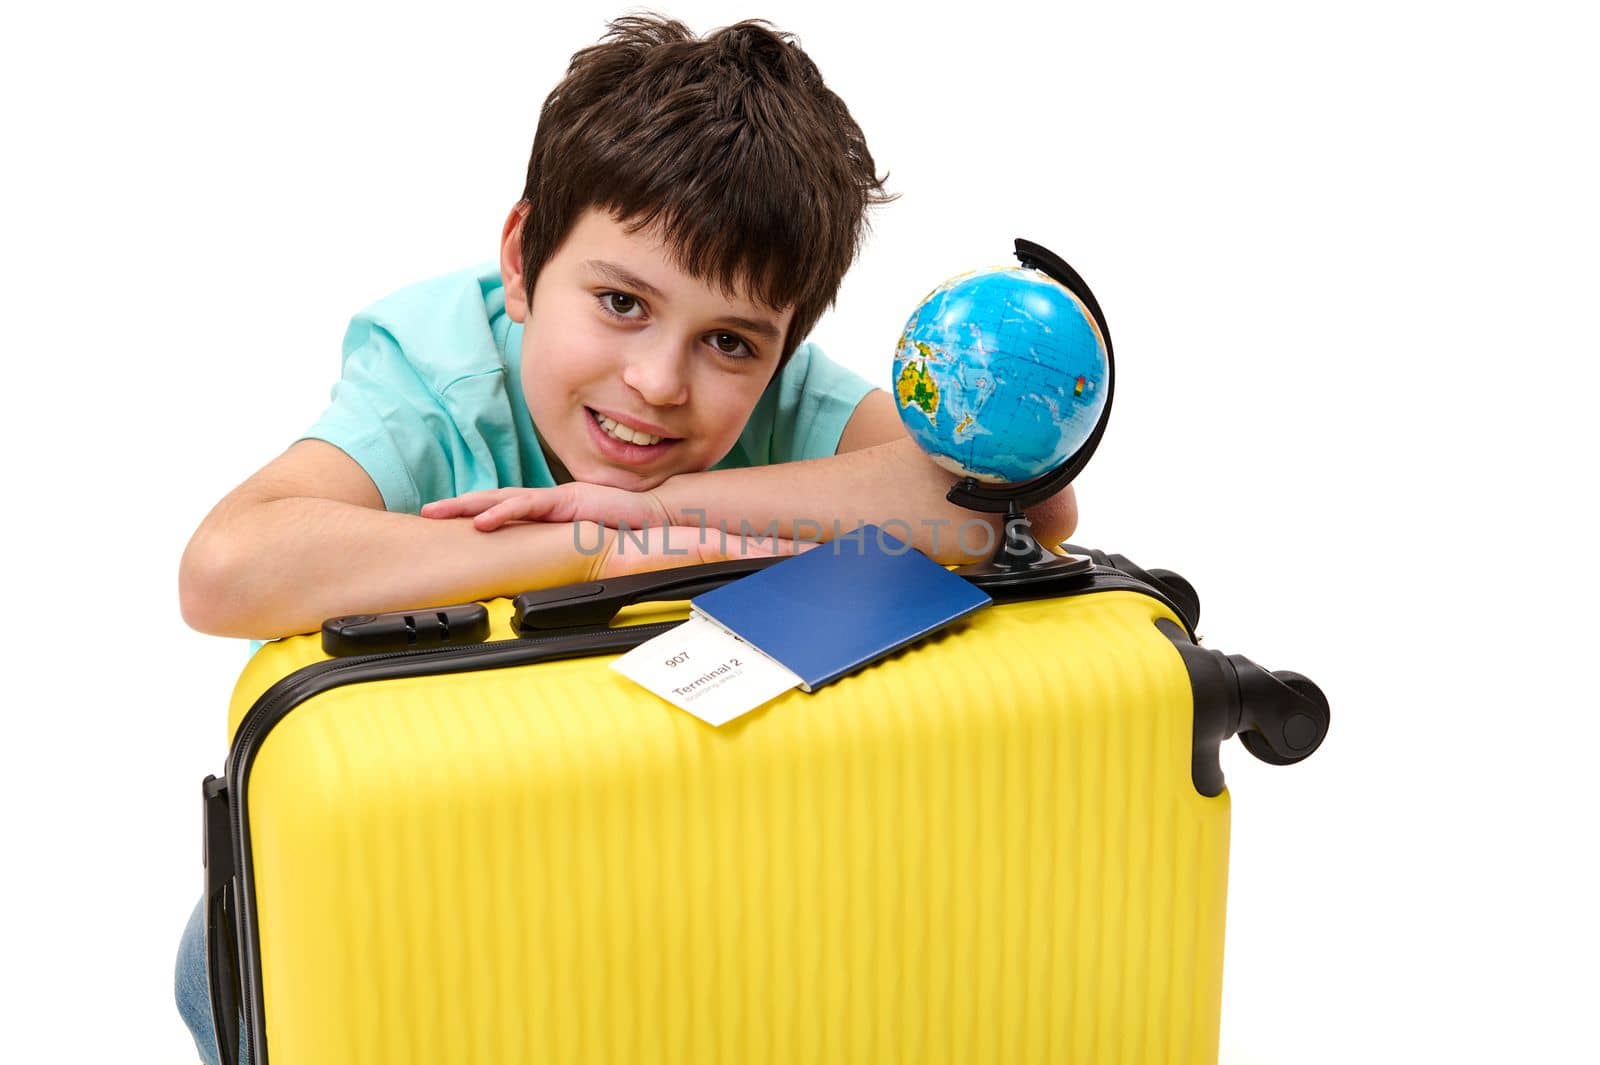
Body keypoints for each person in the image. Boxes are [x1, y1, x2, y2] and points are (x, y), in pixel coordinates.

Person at [174, 13, 1078, 1063]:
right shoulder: (438, 372)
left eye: (729, 342)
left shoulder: (782, 406)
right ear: (522, 262)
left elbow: (1022, 514)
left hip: (642, 860)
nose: (658, 382)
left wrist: (664, 509)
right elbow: (227, 568)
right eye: (619, 302)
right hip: (407, 868)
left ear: (785, 349)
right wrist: (591, 552)